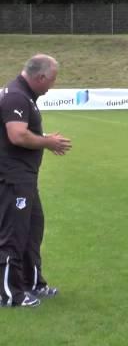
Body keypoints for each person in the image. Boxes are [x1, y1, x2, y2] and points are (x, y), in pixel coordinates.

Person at [0, 54, 71, 308]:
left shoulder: (24, 95)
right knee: (13, 234)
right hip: (13, 178)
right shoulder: (17, 95)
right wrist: (48, 142)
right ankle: (9, 294)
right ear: (40, 77)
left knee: (32, 230)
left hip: (25, 178)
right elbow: (17, 135)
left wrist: (43, 137)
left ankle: (32, 283)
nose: (52, 86)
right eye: (51, 80)